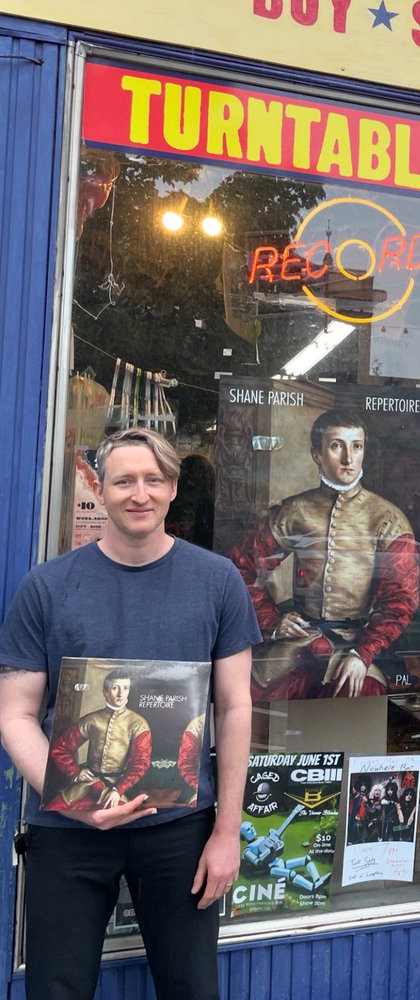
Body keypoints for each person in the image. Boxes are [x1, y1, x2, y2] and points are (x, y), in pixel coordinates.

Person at [0, 427, 260, 1000]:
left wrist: (227, 832)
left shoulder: (217, 581)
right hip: (68, 829)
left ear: (172, 488)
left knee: (192, 988)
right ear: (99, 486)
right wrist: (74, 796)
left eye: (153, 479)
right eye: (123, 480)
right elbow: (14, 714)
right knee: (56, 989)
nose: (138, 493)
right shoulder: (46, 587)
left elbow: (236, 707)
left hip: (182, 831)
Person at [230, 408, 420, 701]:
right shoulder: (294, 511)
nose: (348, 459)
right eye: (336, 446)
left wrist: (362, 654)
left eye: (356, 447)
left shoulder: (387, 519)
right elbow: (241, 569)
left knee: (355, 697)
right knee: (249, 695)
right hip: (297, 643)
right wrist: (272, 620)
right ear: (317, 454)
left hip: (356, 645)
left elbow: (400, 600)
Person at [46, 668, 152, 812]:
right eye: (115, 688)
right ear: (105, 692)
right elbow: (60, 747)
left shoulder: (139, 724)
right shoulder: (92, 720)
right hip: (85, 784)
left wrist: (117, 790)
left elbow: (140, 763)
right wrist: (76, 772)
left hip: (116, 787)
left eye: (125, 688)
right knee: (53, 808)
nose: (121, 693)